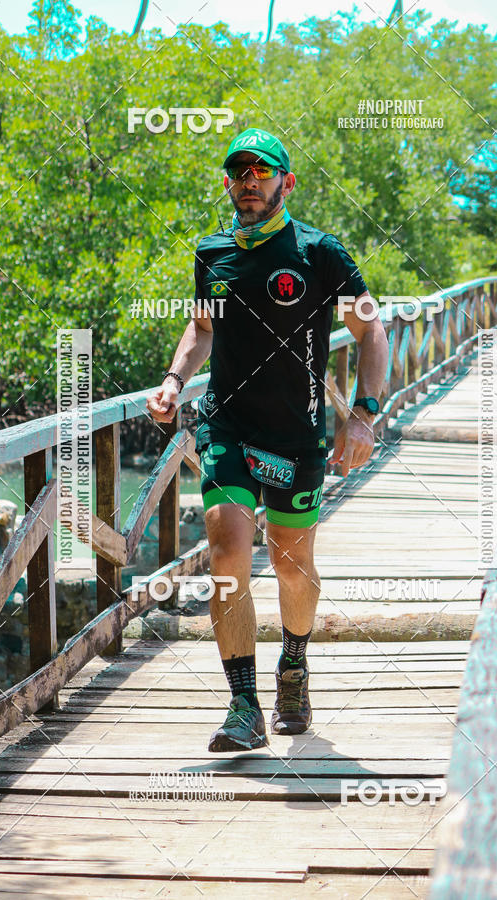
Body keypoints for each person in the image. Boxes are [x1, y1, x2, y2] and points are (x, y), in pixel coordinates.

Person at [146, 127, 388, 752]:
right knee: (227, 551)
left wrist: (363, 414)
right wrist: (175, 380)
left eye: (262, 171)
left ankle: (295, 665)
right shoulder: (212, 253)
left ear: (287, 181)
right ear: (227, 182)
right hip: (227, 426)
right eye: (238, 172)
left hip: (297, 434)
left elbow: (372, 333)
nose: (248, 181)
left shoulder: (319, 253)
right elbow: (203, 329)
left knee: (292, 563)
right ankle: (243, 704)